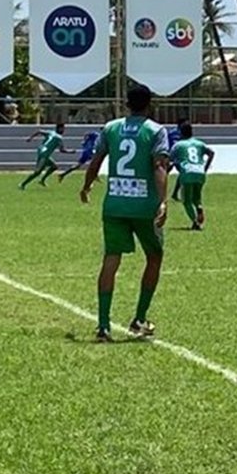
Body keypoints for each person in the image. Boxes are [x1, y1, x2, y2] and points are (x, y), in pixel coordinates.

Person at [80, 84, 169, 342]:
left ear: (126, 104)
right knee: (154, 256)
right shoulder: (156, 130)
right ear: (149, 104)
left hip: (115, 204)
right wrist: (163, 201)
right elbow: (159, 166)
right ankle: (139, 319)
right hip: (144, 206)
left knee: (111, 260)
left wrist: (86, 185)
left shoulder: (111, 128)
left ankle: (103, 326)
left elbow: (96, 160)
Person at [170, 122, 215, 230]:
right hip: (200, 173)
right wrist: (205, 168)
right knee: (197, 198)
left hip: (187, 173)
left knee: (186, 201)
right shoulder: (199, 143)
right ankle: (199, 208)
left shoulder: (178, 145)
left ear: (180, 132)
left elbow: (170, 159)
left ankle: (195, 222)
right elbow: (211, 153)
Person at [19, 122, 70, 189]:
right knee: (37, 172)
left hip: (41, 150)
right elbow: (62, 150)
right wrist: (71, 152)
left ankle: (42, 180)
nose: (63, 130)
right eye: (63, 129)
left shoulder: (51, 132)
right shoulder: (59, 138)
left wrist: (30, 138)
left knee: (54, 166)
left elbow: (39, 131)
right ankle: (22, 184)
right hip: (45, 155)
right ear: (59, 129)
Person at [166, 121, 184, 201]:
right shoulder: (179, 133)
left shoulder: (171, 132)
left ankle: (174, 193)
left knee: (182, 173)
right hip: (174, 155)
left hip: (174, 155)